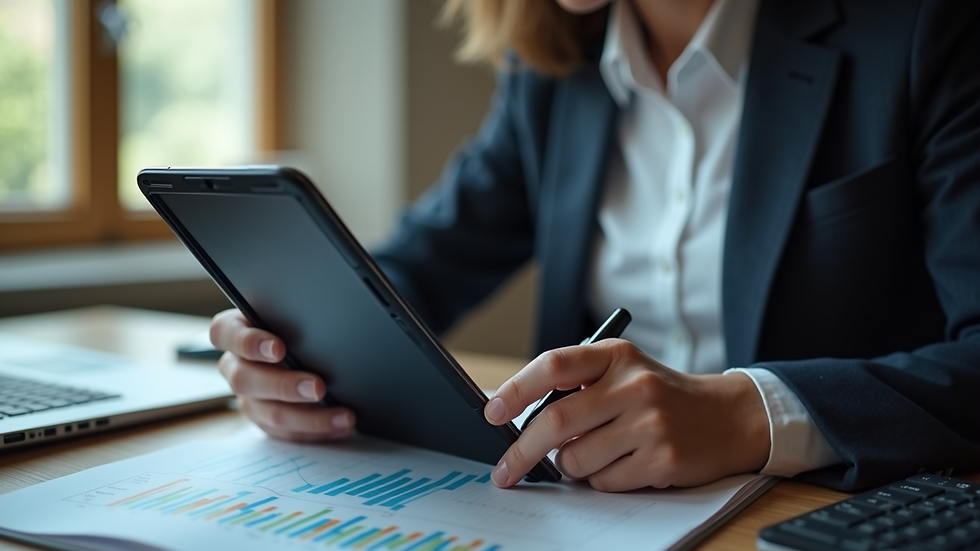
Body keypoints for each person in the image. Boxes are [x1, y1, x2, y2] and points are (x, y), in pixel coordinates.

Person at [209, 0, 980, 493]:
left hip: (825, 514)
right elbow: (420, 268)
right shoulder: (552, 71)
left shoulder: (921, 30)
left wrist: (748, 414)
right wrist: (292, 345)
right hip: (589, 513)